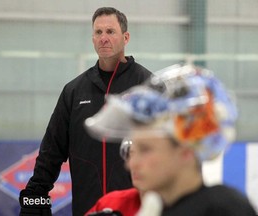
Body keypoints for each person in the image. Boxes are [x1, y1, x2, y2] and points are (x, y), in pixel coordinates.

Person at [19, 7, 152, 216]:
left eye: (110, 31)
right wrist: (35, 197)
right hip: (88, 209)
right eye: (98, 32)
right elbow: (51, 151)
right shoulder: (74, 91)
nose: (104, 38)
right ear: (92, 39)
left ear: (125, 37)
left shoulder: (147, 86)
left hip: (138, 210)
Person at [84, 64, 257, 216]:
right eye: (131, 152)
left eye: (145, 149)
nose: (130, 165)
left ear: (186, 152)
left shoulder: (223, 208)